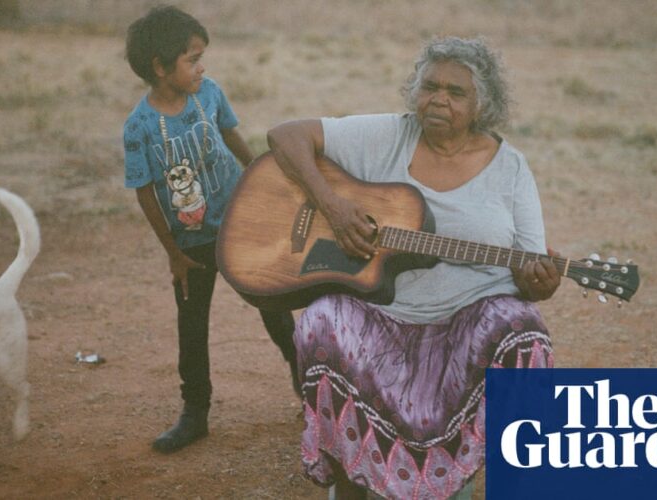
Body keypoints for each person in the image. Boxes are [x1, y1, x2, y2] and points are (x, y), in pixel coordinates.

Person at [267, 36, 560, 499]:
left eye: (456, 92)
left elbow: (530, 270)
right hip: (379, 313)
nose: (438, 99)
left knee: (526, 333)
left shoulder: (511, 169)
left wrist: (540, 284)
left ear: (483, 103)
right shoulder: (389, 134)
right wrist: (334, 206)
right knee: (321, 322)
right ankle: (350, 476)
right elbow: (285, 136)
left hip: (464, 323)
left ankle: (460, 471)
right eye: (430, 86)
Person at [122, 5, 296, 454]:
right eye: (192, 59)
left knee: (275, 307)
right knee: (192, 326)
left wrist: (260, 173)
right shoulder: (139, 127)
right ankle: (194, 413)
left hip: (240, 222)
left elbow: (231, 133)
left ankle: (310, 389)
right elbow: (144, 192)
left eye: (201, 57)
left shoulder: (210, 92)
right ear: (160, 67)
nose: (202, 67)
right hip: (191, 242)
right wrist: (173, 253)